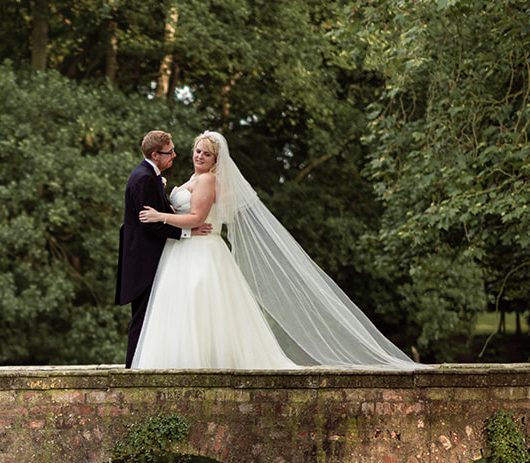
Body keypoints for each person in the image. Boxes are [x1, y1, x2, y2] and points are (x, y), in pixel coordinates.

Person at [131, 131, 421, 371]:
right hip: (183, 250)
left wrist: (161, 217)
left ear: (216, 159)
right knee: (181, 305)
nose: (198, 157)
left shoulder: (207, 180)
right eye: (197, 151)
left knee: (199, 302)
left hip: (202, 251)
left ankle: (198, 365)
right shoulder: (192, 179)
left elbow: (196, 218)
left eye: (206, 154)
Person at [115, 131, 206, 367]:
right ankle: (133, 369)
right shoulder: (144, 178)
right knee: (142, 316)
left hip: (147, 254)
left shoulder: (149, 175)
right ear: (155, 155)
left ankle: (140, 365)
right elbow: (151, 225)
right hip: (143, 257)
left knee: (148, 314)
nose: (174, 155)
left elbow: (157, 215)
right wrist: (188, 232)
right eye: (170, 152)